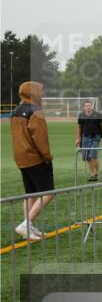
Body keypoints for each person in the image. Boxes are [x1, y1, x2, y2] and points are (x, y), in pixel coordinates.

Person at [11, 81, 54, 241]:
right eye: (40, 91)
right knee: (48, 192)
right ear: (33, 93)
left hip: (20, 156)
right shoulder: (36, 112)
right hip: (34, 157)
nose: (42, 94)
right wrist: (47, 157)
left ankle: (28, 226)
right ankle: (26, 224)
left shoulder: (16, 110)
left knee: (31, 193)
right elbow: (40, 139)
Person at [76, 100, 102, 181]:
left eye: (89, 105)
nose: (88, 107)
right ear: (84, 107)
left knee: (93, 156)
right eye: (86, 106)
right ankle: (93, 174)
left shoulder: (98, 115)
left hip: (95, 138)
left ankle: (97, 173)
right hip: (85, 138)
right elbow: (79, 127)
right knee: (87, 158)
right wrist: (78, 139)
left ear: (92, 106)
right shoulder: (81, 115)